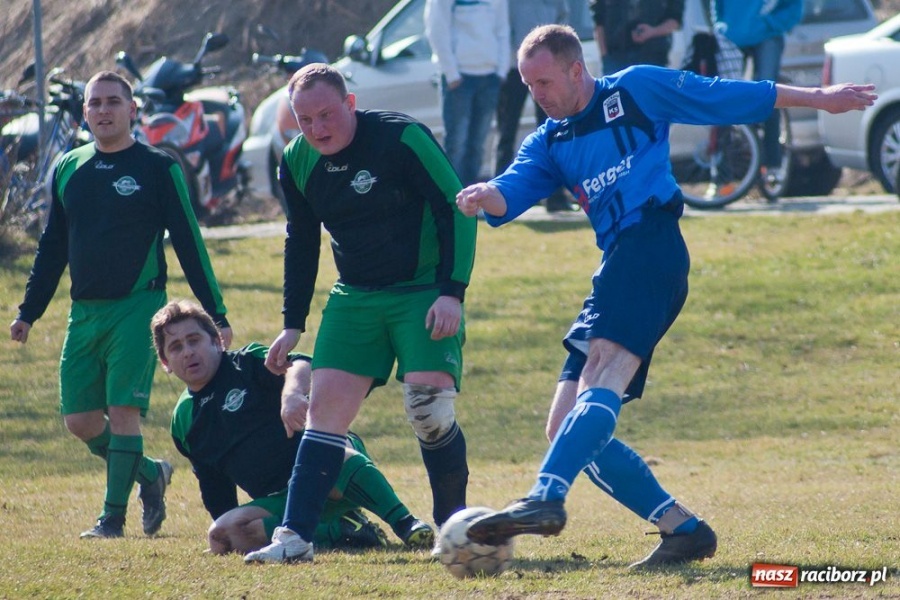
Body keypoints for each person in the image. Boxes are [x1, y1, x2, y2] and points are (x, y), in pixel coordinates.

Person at [455, 24, 875, 568]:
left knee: (602, 370)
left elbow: (721, 96)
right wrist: (488, 194)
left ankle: (547, 497)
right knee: (563, 426)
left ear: (577, 70)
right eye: (528, 85)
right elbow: (512, 189)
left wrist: (817, 97)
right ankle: (684, 530)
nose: (537, 94)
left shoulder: (633, 89)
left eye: (544, 81)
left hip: (652, 245)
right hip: (615, 267)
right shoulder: (550, 141)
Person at [243, 63, 477, 564]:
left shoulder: (402, 137)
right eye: (304, 120)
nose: (317, 128)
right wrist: (292, 322)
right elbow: (301, 241)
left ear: (350, 104)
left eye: (326, 114)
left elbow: (454, 207)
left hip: (423, 291)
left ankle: (453, 532)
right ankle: (295, 539)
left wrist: (452, 291)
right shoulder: (297, 160)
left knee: (428, 411)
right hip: (355, 297)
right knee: (322, 414)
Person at [8, 70, 233, 539]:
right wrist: (29, 311)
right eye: (95, 104)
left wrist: (217, 313)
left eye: (113, 102)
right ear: (85, 112)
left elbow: (190, 242)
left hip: (139, 306)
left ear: (133, 110)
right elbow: (53, 245)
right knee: (81, 421)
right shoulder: (69, 167)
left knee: (123, 411)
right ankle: (150, 474)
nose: (103, 111)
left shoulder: (158, 166)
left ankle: (112, 519)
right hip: (84, 312)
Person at [150, 300, 434, 555]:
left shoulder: (245, 364)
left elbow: (301, 363)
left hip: (330, 464)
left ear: (216, 341)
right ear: (165, 362)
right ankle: (346, 529)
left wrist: (292, 394)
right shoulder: (184, 419)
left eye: (194, 340)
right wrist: (229, 527)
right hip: (280, 497)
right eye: (176, 347)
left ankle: (407, 524)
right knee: (221, 534)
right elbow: (213, 482)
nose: (188, 352)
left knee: (334, 458)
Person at [712, 0, 803, 187]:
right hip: (733, 36)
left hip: (767, 36)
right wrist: (720, 25)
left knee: (767, 93)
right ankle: (720, 177)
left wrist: (770, 23)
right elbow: (717, 6)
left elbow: (794, 7)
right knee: (723, 98)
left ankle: (773, 164)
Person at [494, 0, 573, 213]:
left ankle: (555, 198)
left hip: (547, 71)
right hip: (514, 69)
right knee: (506, 132)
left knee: (553, 133)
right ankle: (500, 194)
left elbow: (562, 23)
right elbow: (500, 26)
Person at [425, 0, 510, 186]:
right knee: (456, 144)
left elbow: (502, 29)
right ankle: (453, 197)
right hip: (459, 78)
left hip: (489, 76)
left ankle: (471, 198)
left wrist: (501, 71)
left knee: (477, 145)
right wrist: (451, 73)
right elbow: (437, 28)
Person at [590, 0, 685, 75]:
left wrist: (652, 31)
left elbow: (675, 19)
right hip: (616, 58)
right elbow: (598, 21)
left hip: (653, 58)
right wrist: (605, 57)